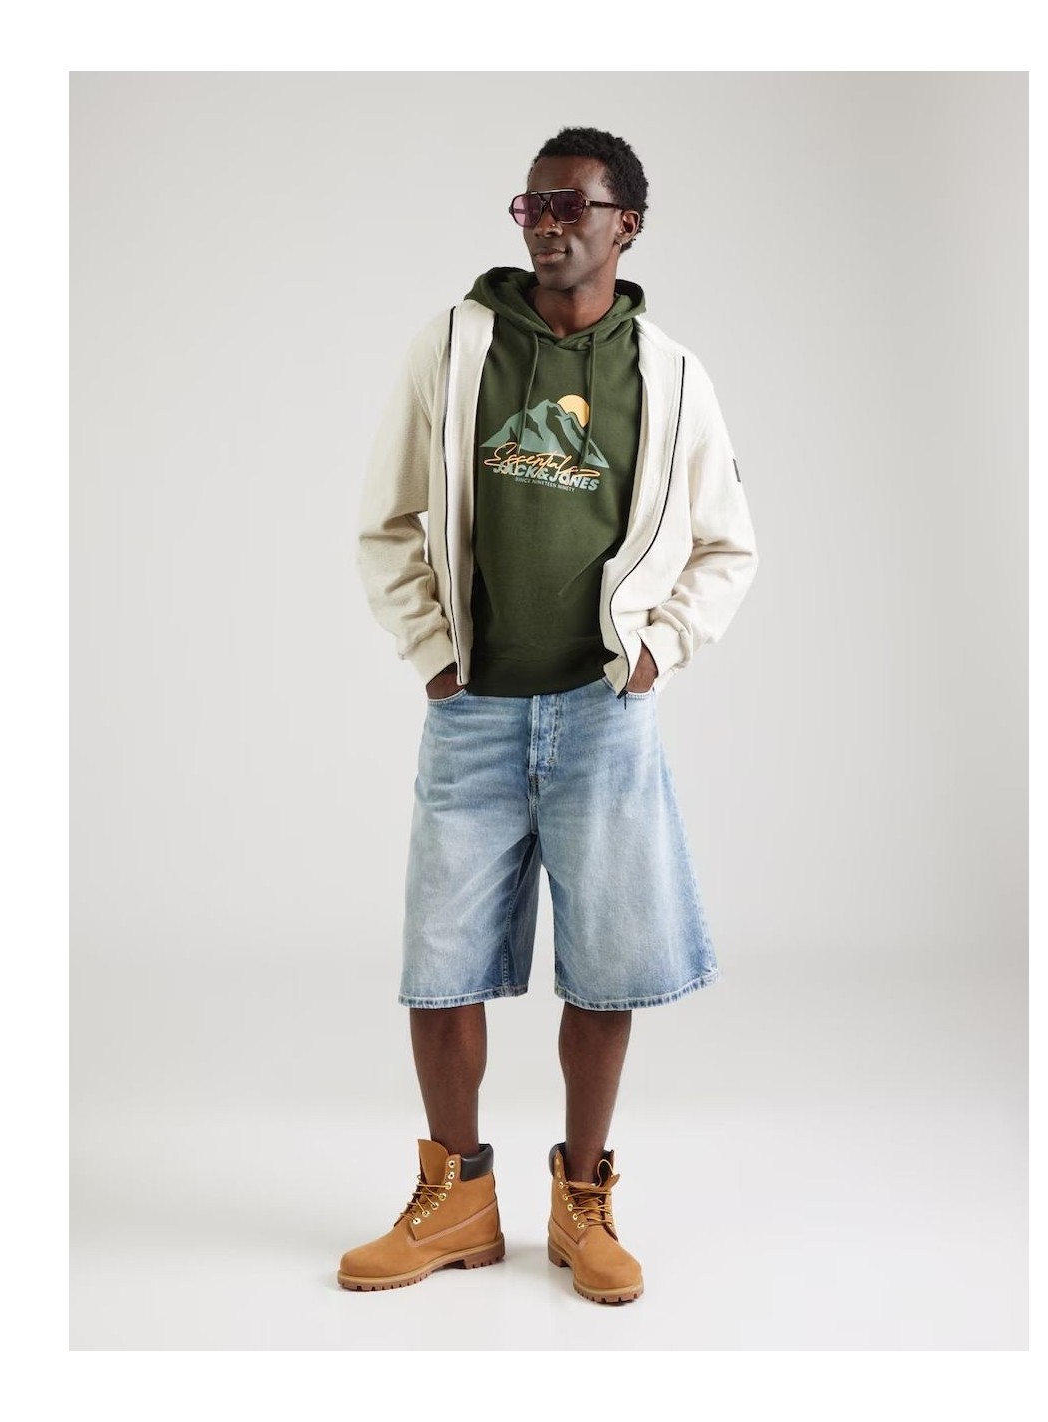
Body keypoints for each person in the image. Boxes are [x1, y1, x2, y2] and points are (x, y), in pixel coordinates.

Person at [341, 126, 759, 1305]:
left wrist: (656, 652)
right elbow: (386, 519)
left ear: (627, 224)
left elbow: (726, 545)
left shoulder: (669, 375)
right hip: (473, 712)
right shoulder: (455, 345)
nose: (549, 224)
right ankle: (456, 1202)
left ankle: (581, 1201)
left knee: (605, 969)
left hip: (600, 713)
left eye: (574, 205)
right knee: (440, 966)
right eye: (533, 205)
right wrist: (433, 653)